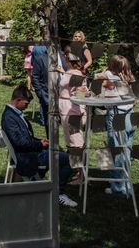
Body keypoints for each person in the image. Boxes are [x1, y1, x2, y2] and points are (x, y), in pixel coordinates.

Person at [1, 85, 77, 207]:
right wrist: (39, 144)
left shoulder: (13, 114)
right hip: (28, 157)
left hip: (31, 152)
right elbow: (20, 143)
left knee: (59, 154)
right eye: (26, 104)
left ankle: (49, 185)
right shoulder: (9, 118)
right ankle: (59, 193)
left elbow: (26, 139)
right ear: (18, 100)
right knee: (69, 160)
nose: (27, 106)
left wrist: (40, 142)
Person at [100, 55, 135, 196]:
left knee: (115, 151)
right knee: (126, 150)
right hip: (130, 114)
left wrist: (104, 72)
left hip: (116, 114)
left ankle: (118, 187)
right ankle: (126, 184)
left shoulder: (109, 76)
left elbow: (101, 80)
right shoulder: (129, 78)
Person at [58, 53, 87, 182]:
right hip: (65, 108)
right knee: (71, 142)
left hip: (72, 109)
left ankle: (81, 175)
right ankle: (75, 170)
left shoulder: (76, 74)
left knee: (77, 143)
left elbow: (81, 93)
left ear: (67, 59)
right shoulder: (69, 71)